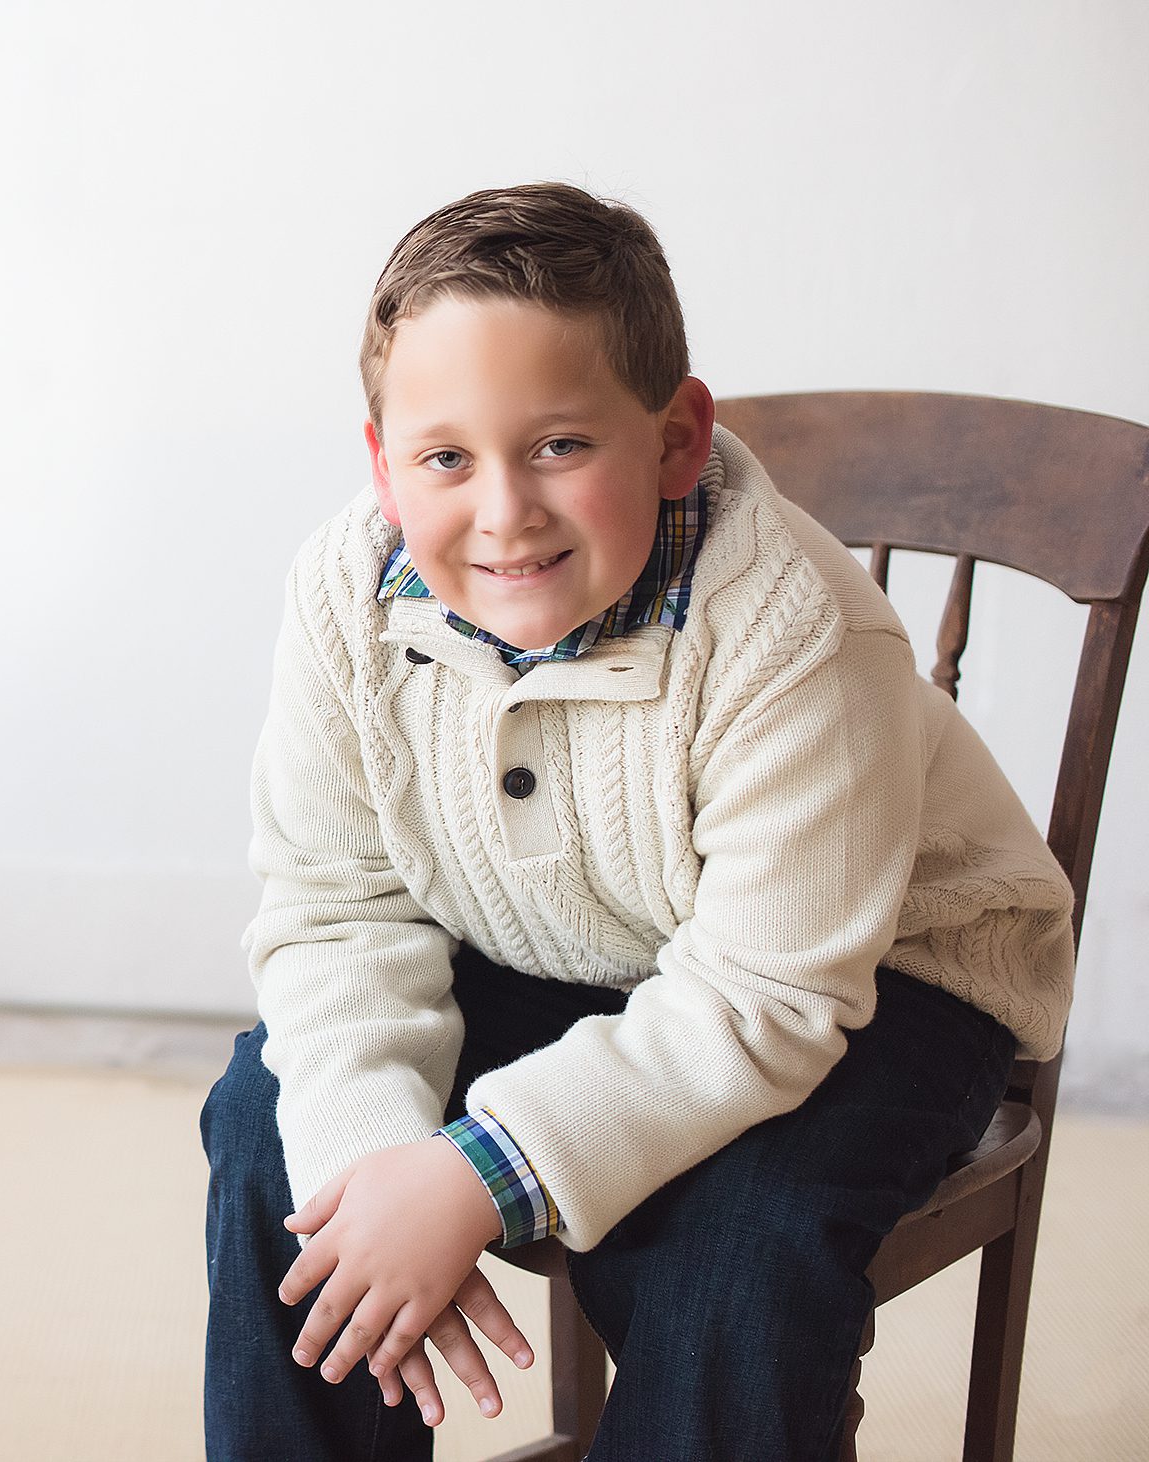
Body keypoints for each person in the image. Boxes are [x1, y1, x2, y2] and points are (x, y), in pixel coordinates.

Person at [198, 181, 1076, 1461]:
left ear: (673, 442)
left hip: (872, 972)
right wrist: (382, 1175)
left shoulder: (792, 631)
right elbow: (335, 908)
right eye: (445, 458)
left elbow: (764, 1000)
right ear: (383, 463)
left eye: (557, 445)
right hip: (577, 940)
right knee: (277, 1117)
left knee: (738, 1241)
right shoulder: (342, 593)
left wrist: (475, 1172)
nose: (502, 511)